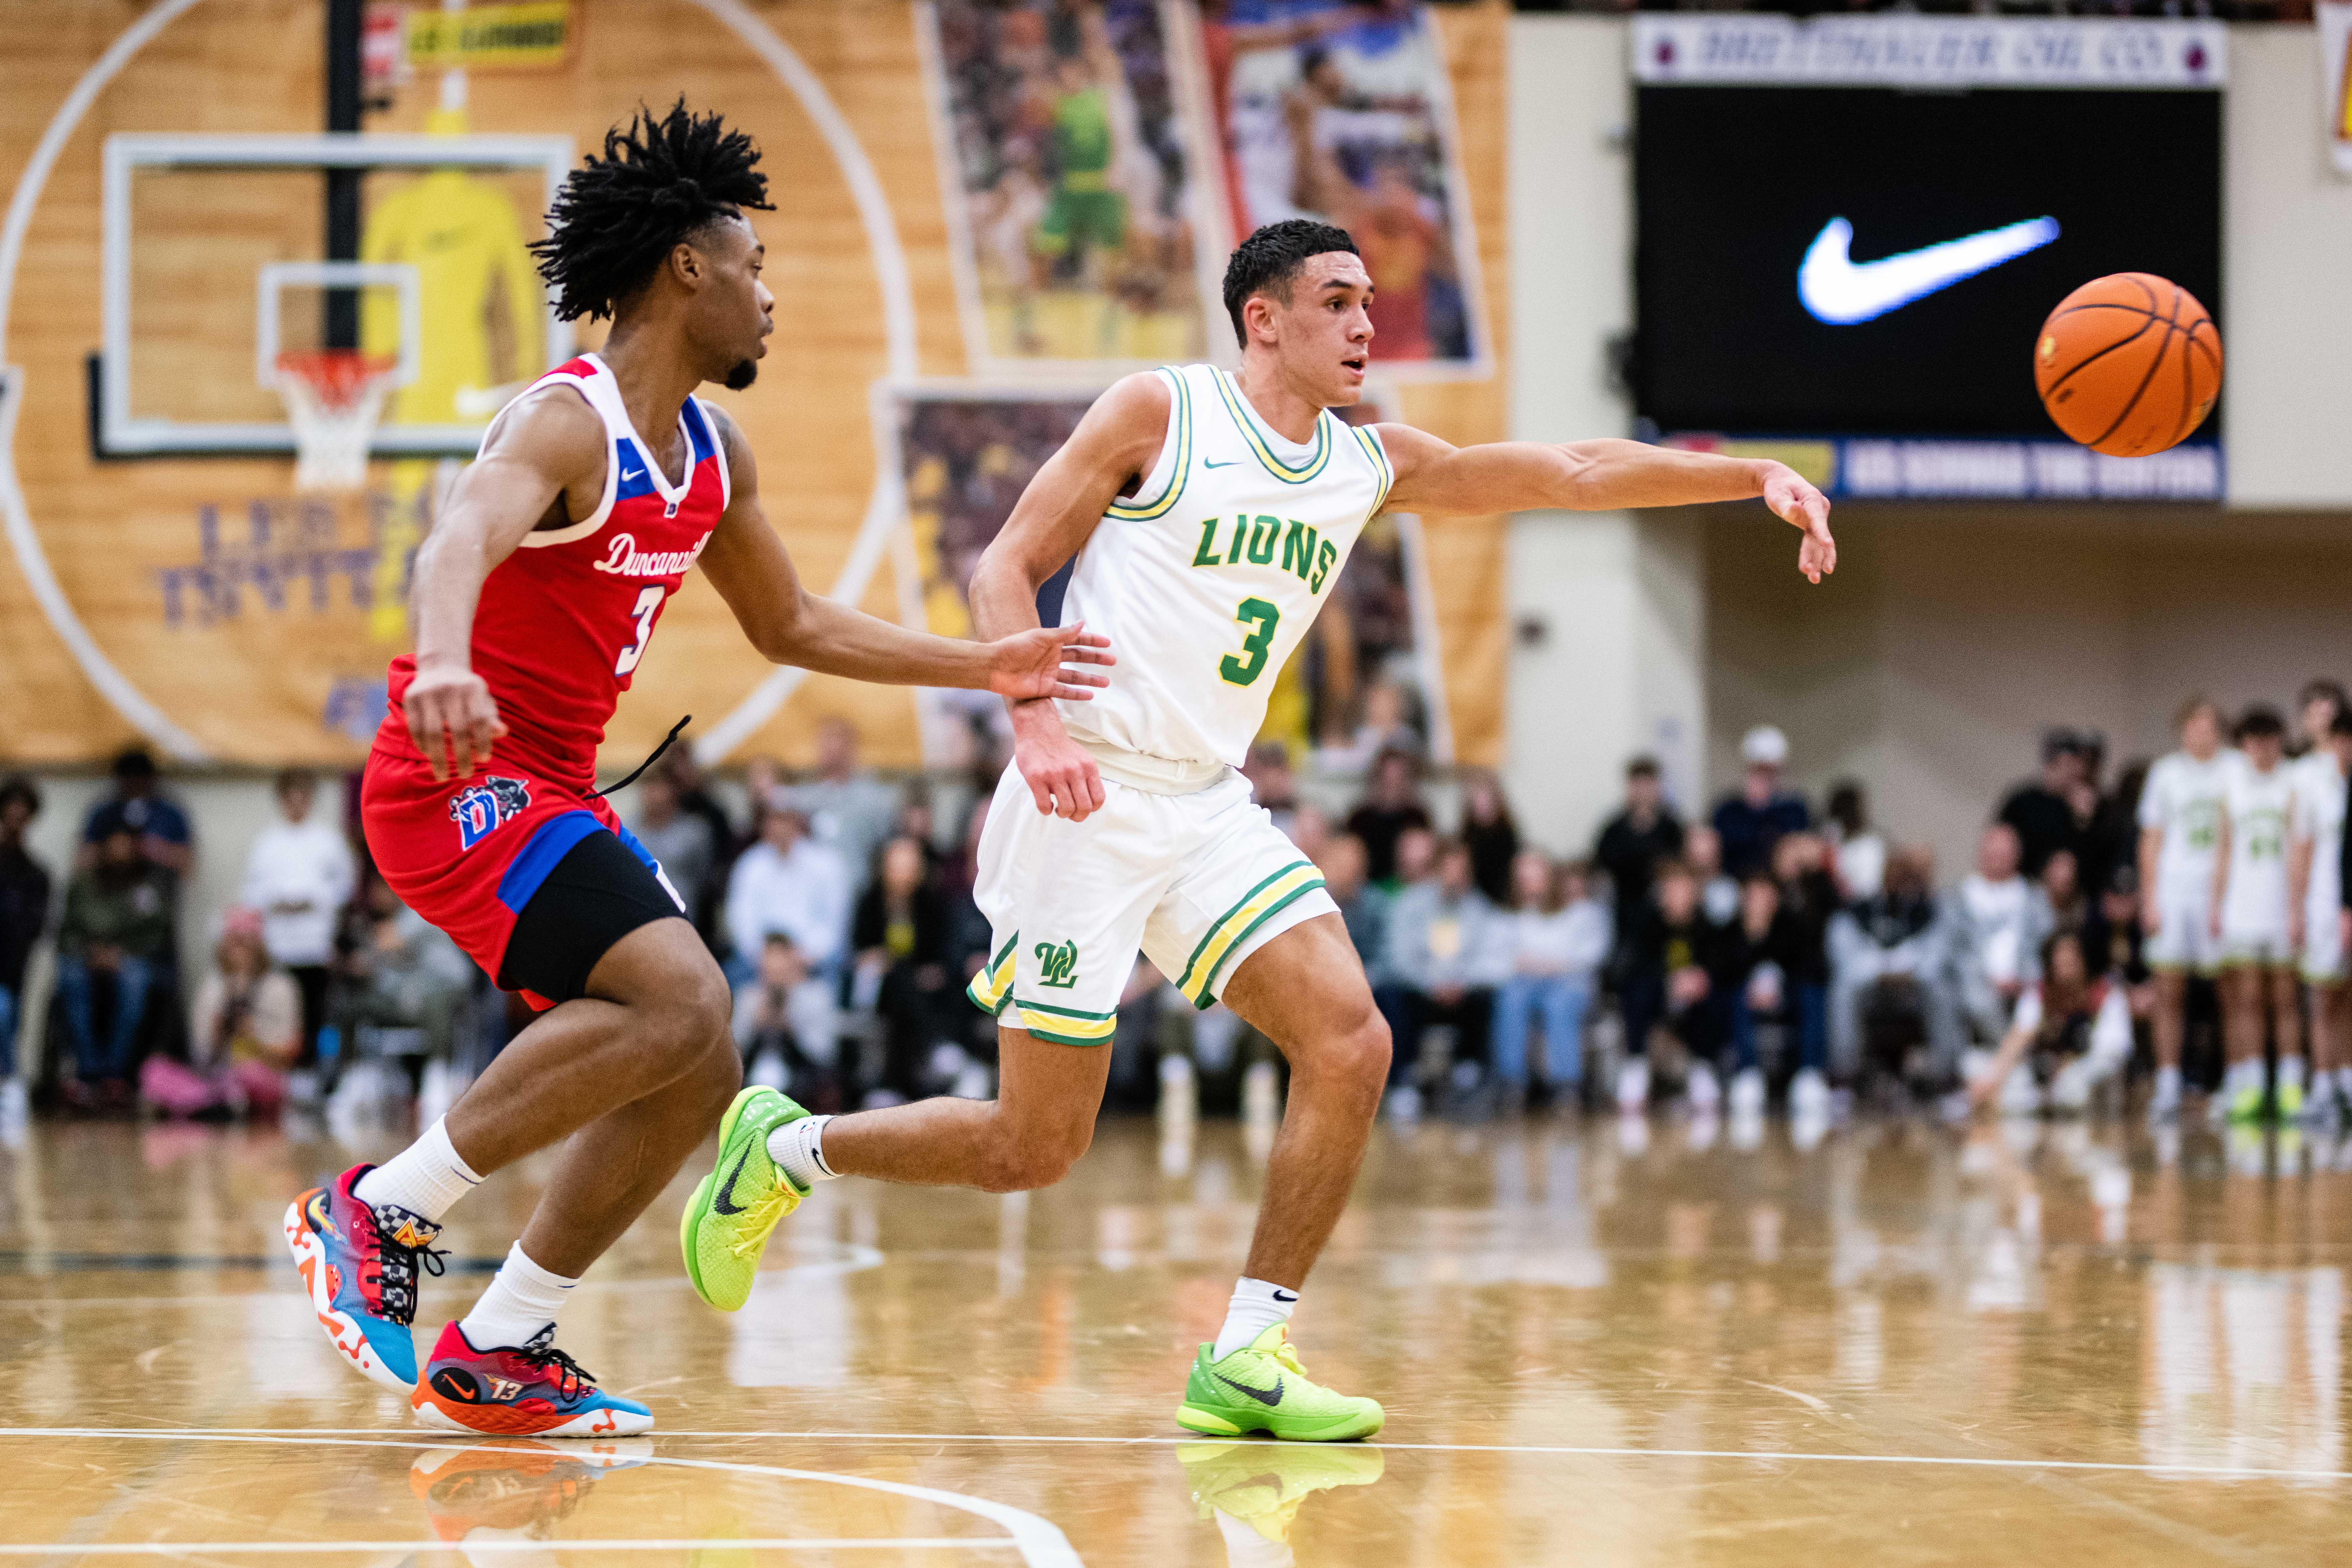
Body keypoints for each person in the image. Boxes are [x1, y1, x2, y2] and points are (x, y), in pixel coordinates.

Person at [681, 218, 1836, 1443]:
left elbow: (1569, 468)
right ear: (1262, 319)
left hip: (1205, 801)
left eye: (1367, 302)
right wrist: (1035, 730)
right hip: (1084, 792)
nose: (1361, 325)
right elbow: (1002, 570)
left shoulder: (1364, 460)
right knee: (1032, 1145)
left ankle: (1244, 1350)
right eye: (1335, 301)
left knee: (1348, 1038)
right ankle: (789, 1145)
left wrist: (1746, 474)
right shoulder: (1157, 413)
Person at [283, 103, 1115, 1439]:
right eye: (756, 266)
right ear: (688, 268)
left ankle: (504, 1336)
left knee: (700, 1064)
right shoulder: (569, 420)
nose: (769, 298)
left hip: (551, 788)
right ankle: (378, 1207)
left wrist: (990, 666)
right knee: (682, 993)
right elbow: (457, 540)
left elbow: (796, 627)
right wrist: (446, 661)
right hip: (454, 776)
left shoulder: (713, 458)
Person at [2138, 697, 2231, 1125]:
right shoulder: (2165, 773)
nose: (2201, 730)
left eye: (2209, 723)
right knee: (2167, 990)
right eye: (2194, 722)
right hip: (2174, 893)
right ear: (2182, 729)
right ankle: (2168, 1081)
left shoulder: (2234, 769)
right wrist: (2149, 897)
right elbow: (2151, 838)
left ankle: (2234, 1080)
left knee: (2229, 991)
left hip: (2223, 894)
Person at [2209, 706, 2301, 1124]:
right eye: (2253, 740)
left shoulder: (2293, 782)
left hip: (2281, 905)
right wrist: (2215, 903)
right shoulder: (2232, 785)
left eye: (2269, 740)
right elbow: (2224, 850)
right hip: (2241, 908)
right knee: (2245, 1000)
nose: (2261, 749)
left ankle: (2288, 1085)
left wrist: (2297, 905)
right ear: (2243, 745)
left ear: (2280, 742)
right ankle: (2248, 1084)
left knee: (2284, 999)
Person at [1377, 838, 1509, 1111]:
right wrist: (1430, 983)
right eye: (1449, 869)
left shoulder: (1479, 908)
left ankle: (1469, 1073)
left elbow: (1492, 957)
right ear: (1436, 870)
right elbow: (1399, 957)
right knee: (1392, 996)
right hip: (1420, 990)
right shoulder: (1410, 903)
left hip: (1463, 991)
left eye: (1461, 871)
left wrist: (1461, 982)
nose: (1454, 878)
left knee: (1488, 998)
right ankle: (1405, 1078)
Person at [55, 823, 175, 1107]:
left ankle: (114, 1073)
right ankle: (88, 1071)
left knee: (135, 985)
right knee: (71, 982)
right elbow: (65, 930)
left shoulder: (147, 888)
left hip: (130, 957)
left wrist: (122, 953)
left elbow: (158, 933)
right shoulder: (83, 884)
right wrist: (89, 952)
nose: (120, 852)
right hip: (84, 956)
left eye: (126, 845)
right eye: (114, 845)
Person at [240, 769, 354, 1066]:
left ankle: (313, 1068)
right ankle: (281, 1068)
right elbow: (252, 891)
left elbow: (345, 885)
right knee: (281, 1007)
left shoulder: (328, 840)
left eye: (303, 795)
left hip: (314, 941)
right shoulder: (267, 843)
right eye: (290, 796)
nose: (297, 802)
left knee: (316, 1009)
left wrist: (313, 900)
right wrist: (278, 902)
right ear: (281, 799)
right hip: (278, 942)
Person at [1966, 931, 2131, 1118]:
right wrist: (1991, 1079)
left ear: (2086, 958)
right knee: (1979, 1067)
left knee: (2072, 1089)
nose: (2067, 962)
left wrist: (2072, 1066)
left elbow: (2113, 1053)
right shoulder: (2039, 995)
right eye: (2060, 956)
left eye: (2074, 955)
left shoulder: (2107, 995)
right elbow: (2018, 1038)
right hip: (2048, 1077)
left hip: (2091, 1078)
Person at [1491, 854, 1608, 1104]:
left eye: (1536, 875)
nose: (1530, 883)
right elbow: (1499, 960)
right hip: (1524, 984)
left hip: (1569, 984)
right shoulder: (1506, 917)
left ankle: (1566, 1084)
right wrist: (1532, 964)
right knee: (1510, 999)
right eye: (1524, 876)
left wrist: (1549, 964)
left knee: (1560, 1003)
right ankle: (1512, 1082)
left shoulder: (1578, 911)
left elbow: (1590, 954)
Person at [850, 835, 953, 1102]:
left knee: (909, 991)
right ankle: (935, 1045)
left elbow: (939, 954)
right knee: (898, 980)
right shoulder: (869, 902)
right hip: (880, 986)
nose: (903, 875)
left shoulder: (930, 904)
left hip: (920, 988)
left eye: (910, 867)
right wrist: (882, 960)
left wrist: (930, 971)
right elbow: (860, 952)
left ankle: (894, 1085)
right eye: (898, 867)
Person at [179, 907, 302, 1120]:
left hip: (263, 1074)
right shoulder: (212, 987)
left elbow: (289, 1054)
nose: (238, 951)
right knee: (155, 1072)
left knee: (248, 1076)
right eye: (233, 942)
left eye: (245, 944)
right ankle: (213, 1100)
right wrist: (218, 1034)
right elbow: (200, 1054)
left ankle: (214, 1102)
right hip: (217, 1074)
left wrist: (252, 1037)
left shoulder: (280, 987)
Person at [1618, 860, 1721, 1112]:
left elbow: (1720, 965)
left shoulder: (1707, 928)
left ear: (1695, 893)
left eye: (1683, 889)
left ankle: (1702, 1069)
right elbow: (1629, 969)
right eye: (1671, 889)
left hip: (1695, 1000)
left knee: (1716, 999)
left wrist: (1699, 978)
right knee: (1636, 994)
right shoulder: (1646, 926)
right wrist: (1667, 982)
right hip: (1658, 998)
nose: (1676, 896)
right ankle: (1636, 1065)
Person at [2290, 708, 2352, 1125]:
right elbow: (2302, 850)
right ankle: (2324, 1085)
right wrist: (2296, 908)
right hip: (2324, 903)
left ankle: (2347, 1080)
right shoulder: (2314, 783)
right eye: (2342, 739)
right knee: (2323, 997)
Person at [1944, 823, 2053, 1048]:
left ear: (2017, 856)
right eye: (1994, 853)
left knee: (2034, 1004)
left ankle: (2007, 1065)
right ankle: (2014, 1061)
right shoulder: (1959, 897)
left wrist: (2023, 978)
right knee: (1976, 999)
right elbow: (1953, 951)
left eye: (2005, 853)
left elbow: (2048, 945)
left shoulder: (2034, 898)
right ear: (1982, 853)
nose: (1999, 858)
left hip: (2026, 982)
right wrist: (1987, 978)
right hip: (1975, 983)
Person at [723, 807, 852, 985]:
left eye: (786, 821)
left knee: (836, 967)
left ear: (798, 822)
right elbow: (741, 920)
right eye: (775, 821)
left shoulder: (827, 864)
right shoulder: (750, 864)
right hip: (761, 958)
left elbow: (834, 924)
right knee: (727, 976)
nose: (780, 828)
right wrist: (766, 958)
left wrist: (802, 957)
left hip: (812, 958)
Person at [786, 718, 903, 902]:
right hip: (813, 897)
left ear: (850, 747)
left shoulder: (874, 798)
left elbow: (892, 841)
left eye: (835, 741)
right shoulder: (805, 797)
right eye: (824, 742)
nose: (829, 749)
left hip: (860, 896)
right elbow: (776, 800)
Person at [732, 933, 841, 1111]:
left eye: (778, 960)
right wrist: (756, 1025)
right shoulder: (748, 998)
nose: (773, 968)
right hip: (752, 1083)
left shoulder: (815, 996)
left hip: (802, 1084)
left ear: (792, 961)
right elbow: (734, 1054)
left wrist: (791, 1027)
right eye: (768, 960)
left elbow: (825, 1054)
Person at [1591, 756, 1684, 950]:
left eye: (1648, 784)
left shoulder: (1671, 828)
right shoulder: (1613, 829)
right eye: (1637, 785)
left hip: (1662, 906)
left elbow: (1680, 868)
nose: (1643, 791)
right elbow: (1599, 868)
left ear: (1658, 787)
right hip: (1621, 906)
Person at [0, 779, 50, 1124]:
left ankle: (10, 1083)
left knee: (6, 1017)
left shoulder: (36, 873)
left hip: (13, 965)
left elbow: (35, 927)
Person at [628, 771, 717, 947]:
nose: (653, 794)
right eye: (648, 787)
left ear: (674, 792)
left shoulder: (695, 831)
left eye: (660, 788)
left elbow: (703, 878)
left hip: (683, 923)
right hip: (635, 925)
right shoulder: (626, 830)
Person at [78, 747, 193, 880]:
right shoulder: (104, 814)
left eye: (140, 783)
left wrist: (157, 850)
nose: (135, 789)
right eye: (129, 784)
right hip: (113, 889)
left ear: (151, 782)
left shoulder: (170, 814)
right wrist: (108, 851)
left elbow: (188, 864)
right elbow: (82, 862)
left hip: (157, 888)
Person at [1712, 725, 1808, 880]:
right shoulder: (1728, 810)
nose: (1765, 778)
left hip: (1780, 885)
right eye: (1759, 770)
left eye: (1770, 772)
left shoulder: (1794, 810)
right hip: (1737, 882)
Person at [1998, 730, 2090, 879]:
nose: (2070, 773)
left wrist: (2084, 822)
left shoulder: (2082, 808)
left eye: (2074, 767)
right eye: (2064, 765)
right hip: (2020, 883)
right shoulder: (2023, 802)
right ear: (2050, 765)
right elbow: (2002, 841)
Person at [1343, 747, 1430, 884]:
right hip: (1365, 890)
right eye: (1387, 778)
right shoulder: (1359, 819)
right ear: (1376, 779)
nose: (1392, 782)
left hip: (1409, 888)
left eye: (1397, 778)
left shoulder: (1417, 818)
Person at [1458, 771, 1520, 908]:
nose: (1482, 807)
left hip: (1502, 904)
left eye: (1486, 801)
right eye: (1476, 802)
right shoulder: (1466, 837)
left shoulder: (1508, 837)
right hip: (1472, 905)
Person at [1824, 779, 1884, 902]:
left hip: (1863, 904)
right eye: (1843, 810)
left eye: (1851, 810)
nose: (1848, 815)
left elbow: (1870, 888)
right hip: (1832, 902)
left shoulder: (1871, 844)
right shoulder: (1829, 838)